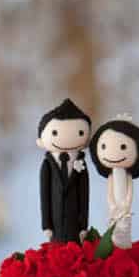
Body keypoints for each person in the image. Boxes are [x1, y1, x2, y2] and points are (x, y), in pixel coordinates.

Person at [89, 116, 139, 249]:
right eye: (103, 146)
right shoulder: (111, 176)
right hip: (114, 211)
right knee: (113, 233)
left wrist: (126, 206)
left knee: (123, 232)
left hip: (124, 211)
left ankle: (123, 248)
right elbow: (110, 192)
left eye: (123, 147)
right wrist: (113, 206)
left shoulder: (128, 176)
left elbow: (129, 191)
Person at [37, 98, 92, 244]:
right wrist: (46, 225)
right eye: (54, 132)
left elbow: (85, 196)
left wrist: (83, 226)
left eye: (80, 132)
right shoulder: (47, 165)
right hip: (55, 226)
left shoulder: (82, 164)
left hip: (75, 226)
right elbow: (44, 197)